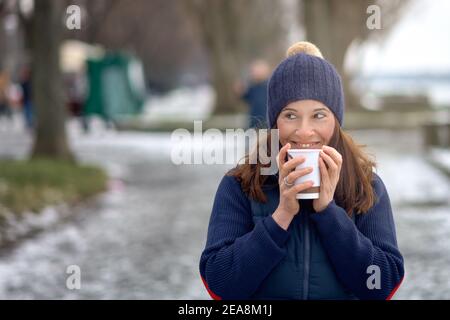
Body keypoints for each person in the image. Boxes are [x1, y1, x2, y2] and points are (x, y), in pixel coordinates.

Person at [199, 41, 404, 300]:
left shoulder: (367, 186)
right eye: (290, 115)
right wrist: (281, 216)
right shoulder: (239, 186)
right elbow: (220, 285)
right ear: (275, 121)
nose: (304, 131)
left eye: (319, 115)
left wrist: (329, 213)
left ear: (336, 120)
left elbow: (383, 284)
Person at [236, 60, 270, 129]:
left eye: (258, 71)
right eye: (254, 71)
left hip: (267, 120)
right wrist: (240, 92)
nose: (255, 73)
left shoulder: (270, 85)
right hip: (254, 120)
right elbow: (246, 97)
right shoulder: (252, 86)